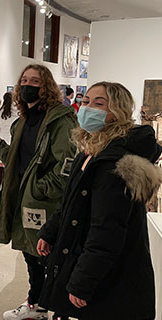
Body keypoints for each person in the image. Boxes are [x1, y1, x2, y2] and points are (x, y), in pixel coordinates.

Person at [37, 82, 161, 320]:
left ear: (118, 111)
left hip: (112, 275)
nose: (88, 108)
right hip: (90, 257)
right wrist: (50, 231)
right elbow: (72, 202)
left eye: (99, 103)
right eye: (86, 102)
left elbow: (107, 230)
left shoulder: (114, 162)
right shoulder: (91, 151)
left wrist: (83, 281)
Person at [0, 64, 77, 320]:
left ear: (47, 88)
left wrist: (38, 189)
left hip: (43, 203)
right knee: (30, 254)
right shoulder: (22, 122)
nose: (28, 86)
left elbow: (65, 166)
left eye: (35, 82)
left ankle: (46, 306)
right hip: (23, 199)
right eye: (24, 81)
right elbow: (18, 160)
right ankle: (37, 305)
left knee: (45, 256)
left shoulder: (59, 121)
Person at [0, 92, 17, 202]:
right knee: (11, 174)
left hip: (1, 143)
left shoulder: (0, 114)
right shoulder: (19, 113)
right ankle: (8, 196)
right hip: (14, 145)